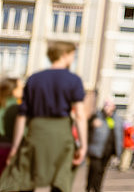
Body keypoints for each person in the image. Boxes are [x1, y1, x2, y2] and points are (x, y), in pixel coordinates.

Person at [0, 41, 87, 192]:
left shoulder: (34, 79)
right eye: (73, 55)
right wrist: (83, 145)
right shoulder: (73, 80)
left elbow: (22, 116)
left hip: (37, 131)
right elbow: (79, 114)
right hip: (61, 132)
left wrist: (15, 146)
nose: (73, 59)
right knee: (61, 180)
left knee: (26, 177)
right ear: (64, 55)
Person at [85, 100, 123, 192]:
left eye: (110, 106)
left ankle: (97, 188)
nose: (108, 108)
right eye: (107, 106)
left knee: (101, 170)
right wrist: (92, 124)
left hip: (108, 150)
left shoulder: (117, 119)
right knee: (94, 169)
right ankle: (89, 186)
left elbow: (119, 135)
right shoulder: (97, 116)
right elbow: (86, 127)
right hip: (95, 148)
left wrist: (118, 151)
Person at [0, 78, 21, 174]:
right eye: (20, 88)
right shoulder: (18, 108)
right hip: (10, 150)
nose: (23, 90)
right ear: (13, 90)